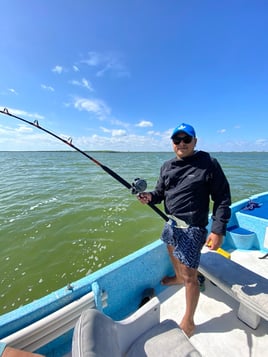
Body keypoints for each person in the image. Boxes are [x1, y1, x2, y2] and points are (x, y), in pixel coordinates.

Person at [137, 123, 231, 337]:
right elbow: (160, 194)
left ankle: (189, 321)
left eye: (186, 139)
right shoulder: (167, 166)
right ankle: (178, 278)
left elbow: (222, 198)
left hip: (193, 228)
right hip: (170, 223)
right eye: (177, 140)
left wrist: (218, 230)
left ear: (195, 142)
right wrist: (149, 197)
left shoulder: (208, 163)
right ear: (172, 144)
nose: (181, 143)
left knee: (191, 276)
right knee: (171, 250)